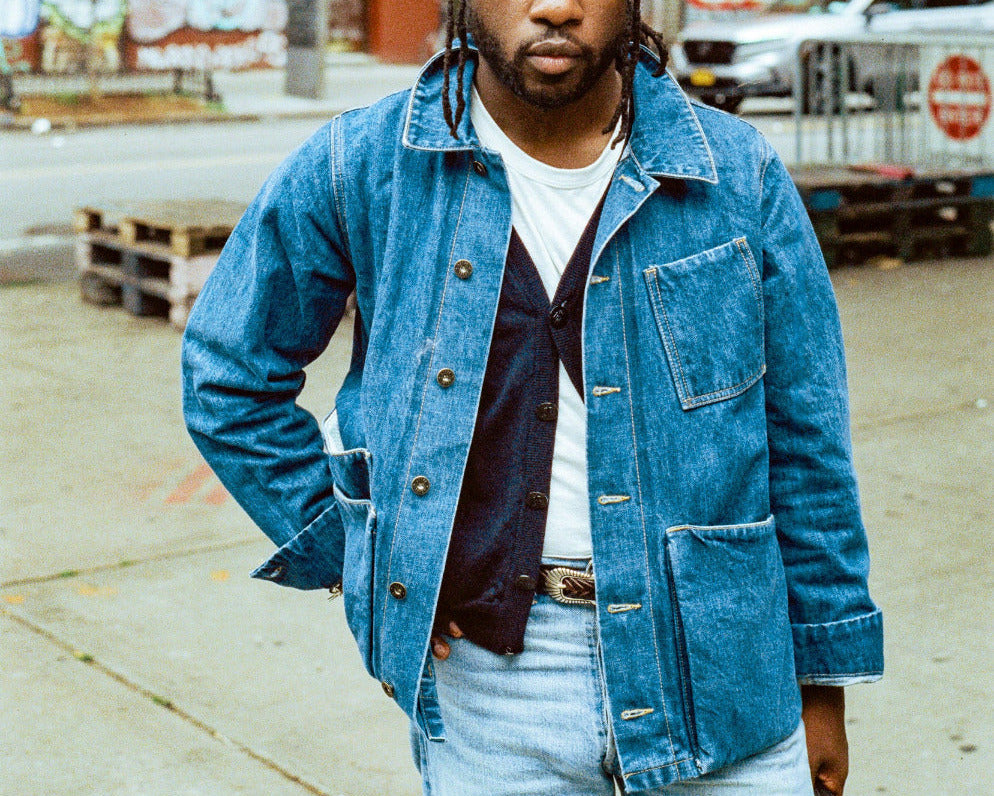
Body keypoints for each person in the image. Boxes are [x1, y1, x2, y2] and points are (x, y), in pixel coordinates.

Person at [181, 1, 884, 793]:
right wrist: (370, 556)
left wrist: (824, 681)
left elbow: (805, 441)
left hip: (721, 674)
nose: (555, 5)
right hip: (494, 701)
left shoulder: (736, 172)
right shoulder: (363, 165)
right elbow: (228, 375)